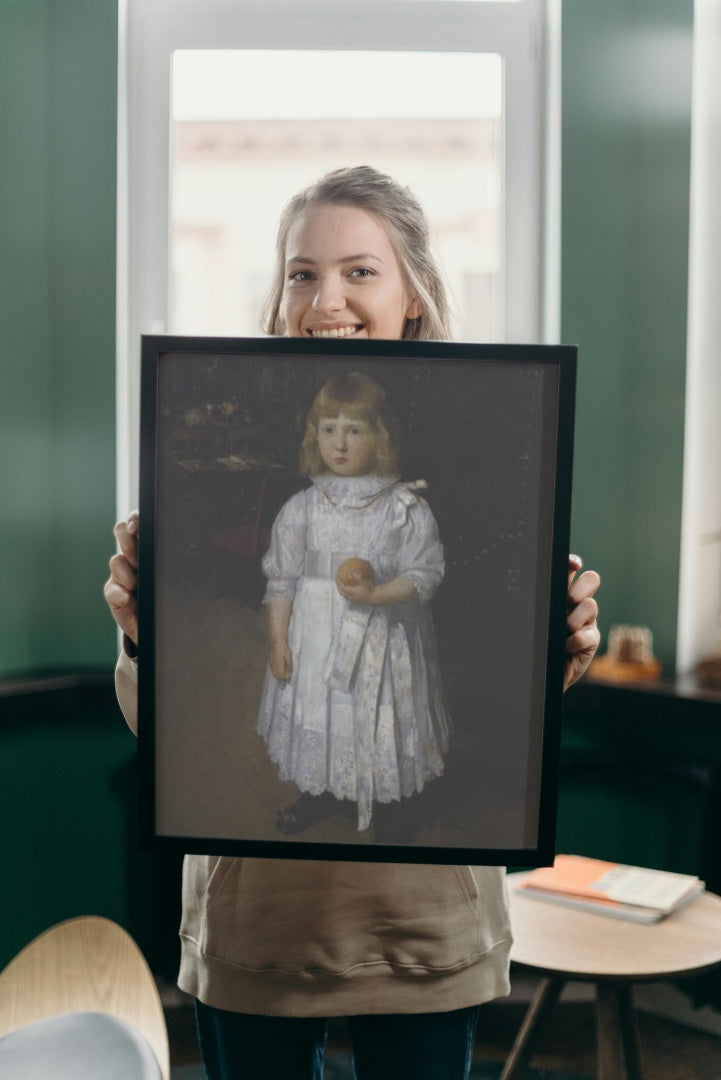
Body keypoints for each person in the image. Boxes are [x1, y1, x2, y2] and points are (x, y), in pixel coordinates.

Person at [105, 165, 601, 1080]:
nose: (324, 297)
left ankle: (385, 798)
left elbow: (449, 590)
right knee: (319, 731)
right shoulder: (275, 492)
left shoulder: (479, 436)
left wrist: (557, 653)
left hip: (421, 928)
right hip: (258, 927)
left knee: (383, 724)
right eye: (301, 272)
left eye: (359, 271)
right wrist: (145, 636)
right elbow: (160, 727)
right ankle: (325, 790)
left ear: (413, 291)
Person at [257, 370, 451, 836]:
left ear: (379, 436)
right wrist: (278, 640)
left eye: (354, 430)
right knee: (323, 708)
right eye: (329, 430)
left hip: (384, 639)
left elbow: (426, 574)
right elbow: (281, 580)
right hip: (317, 638)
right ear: (315, 436)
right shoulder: (302, 507)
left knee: (381, 711)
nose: (339, 444)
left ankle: (388, 800)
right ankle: (319, 789)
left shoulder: (402, 506)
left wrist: (377, 594)